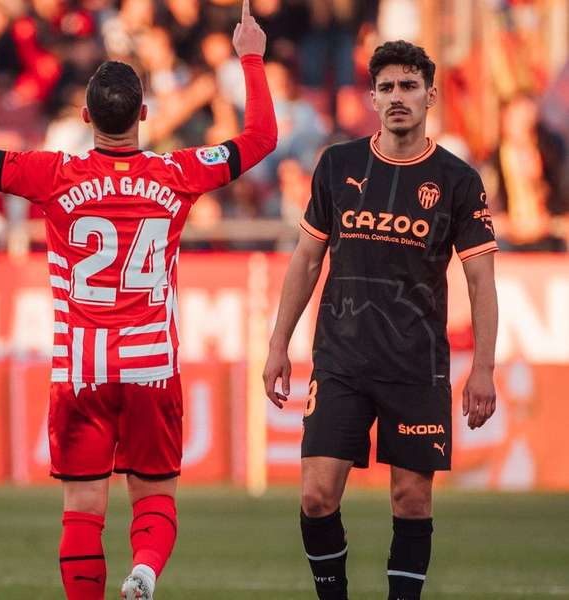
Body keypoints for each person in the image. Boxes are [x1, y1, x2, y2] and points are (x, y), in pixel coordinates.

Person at [0, 3, 277, 598]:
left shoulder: (54, 174)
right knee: (154, 496)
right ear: (145, 114)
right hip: (151, 365)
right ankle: (144, 571)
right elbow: (261, 138)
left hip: (82, 368)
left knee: (82, 506)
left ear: (84, 114)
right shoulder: (179, 172)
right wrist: (250, 56)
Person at [263, 40, 499, 600]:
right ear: (372, 98)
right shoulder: (338, 165)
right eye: (388, 87)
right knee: (317, 496)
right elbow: (306, 259)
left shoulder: (458, 181)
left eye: (409, 86)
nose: (398, 97)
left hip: (417, 366)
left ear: (430, 95)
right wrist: (278, 344)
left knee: (410, 500)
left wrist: (483, 368)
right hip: (340, 359)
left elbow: (481, 281)